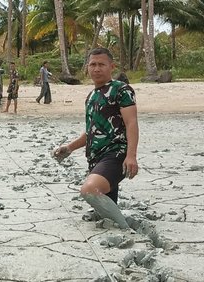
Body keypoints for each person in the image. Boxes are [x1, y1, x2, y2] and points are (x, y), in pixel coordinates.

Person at [53, 47, 139, 230]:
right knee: (104, 205)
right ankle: (115, 222)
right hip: (96, 157)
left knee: (89, 190)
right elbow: (91, 132)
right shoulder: (91, 96)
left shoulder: (121, 90)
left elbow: (131, 123)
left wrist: (131, 155)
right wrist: (69, 148)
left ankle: (128, 231)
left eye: (101, 64)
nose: (97, 69)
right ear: (87, 67)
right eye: (93, 64)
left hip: (116, 154)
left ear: (111, 66)